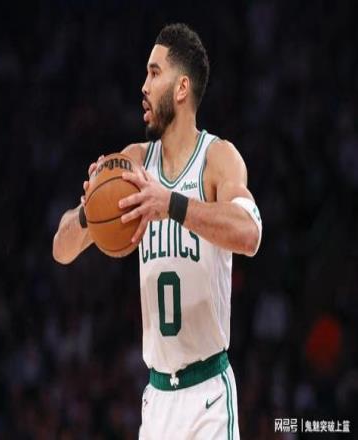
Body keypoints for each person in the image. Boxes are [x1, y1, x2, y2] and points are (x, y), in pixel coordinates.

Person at [52, 23, 262, 439]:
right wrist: (89, 212)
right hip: (157, 399)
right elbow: (61, 248)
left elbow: (249, 233)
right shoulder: (132, 164)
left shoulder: (218, 159)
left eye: (154, 73)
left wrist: (171, 204)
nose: (143, 86)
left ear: (181, 88)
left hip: (208, 396)